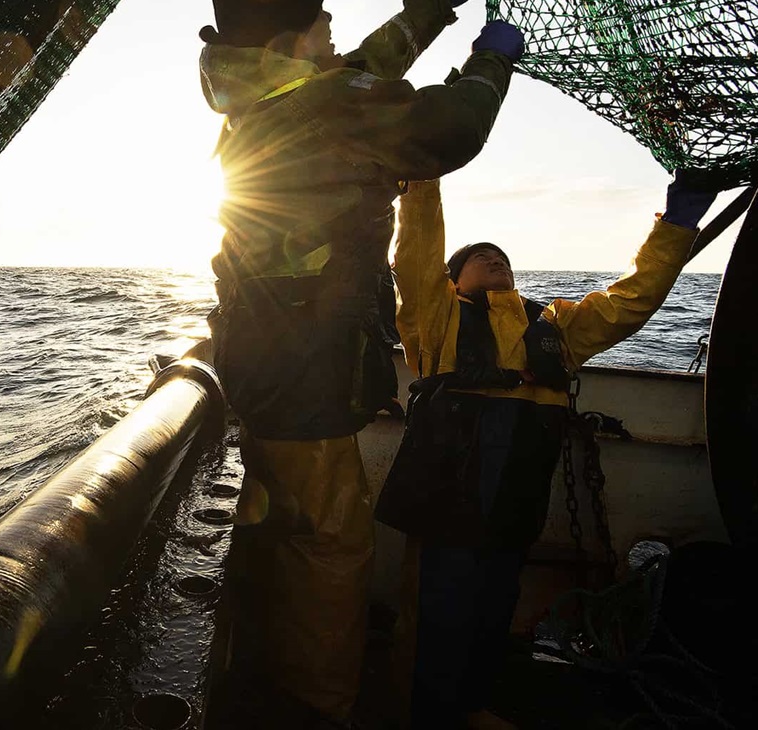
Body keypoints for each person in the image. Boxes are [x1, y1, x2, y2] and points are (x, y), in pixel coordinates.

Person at [198, 0, 525, 725]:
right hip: (305, 371)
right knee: (331, 544)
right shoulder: (327, 105)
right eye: (321, 20)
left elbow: (361, 68)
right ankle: (320, 708)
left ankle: (288, 675)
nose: (334, 28)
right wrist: (493, 58)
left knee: (289, 532)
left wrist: (430, 13)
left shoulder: (261, 94)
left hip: (265, 362)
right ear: (291, 41)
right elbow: (450, 127)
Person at [377, 173, 718, 728]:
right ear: (451, 278)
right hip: (449, 490)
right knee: (440, 606)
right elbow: (415, 253)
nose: (495, 260)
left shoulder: (558, 326)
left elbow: (630, 301)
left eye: (502, 257)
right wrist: (422, 177)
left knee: (494, 602)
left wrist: (677, 227)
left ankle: (471, 706)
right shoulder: (432, 317)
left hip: (516, 493)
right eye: (480, 256)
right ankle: (424, 712)